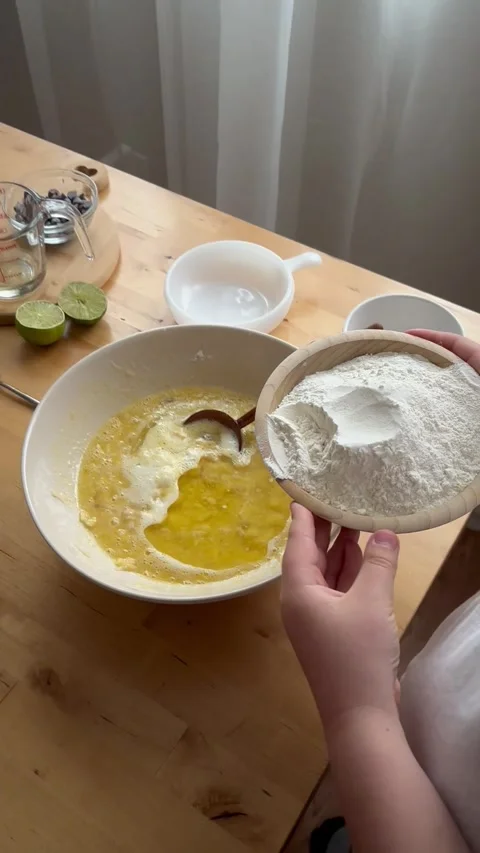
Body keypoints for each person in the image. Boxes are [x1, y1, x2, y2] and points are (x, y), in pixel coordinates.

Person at [282, 330, 480, 853]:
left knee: (380, 808)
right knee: (389, 781)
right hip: (424, 726)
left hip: (429, 824)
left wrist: (355, 708)